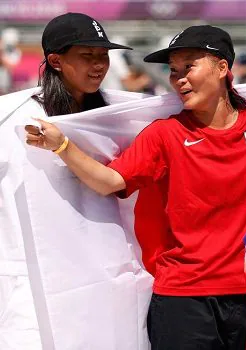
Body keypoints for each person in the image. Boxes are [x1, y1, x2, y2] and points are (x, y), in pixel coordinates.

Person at [25, 25, 246, 349]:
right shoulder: (165, 134)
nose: (179, 79)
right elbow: (109, 182)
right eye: (173, 71)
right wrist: (63, 146)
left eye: (189, 66)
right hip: (183, 300)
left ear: (222, 67)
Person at [0, 12, 131, 349]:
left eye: (103, 56)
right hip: (33, 277)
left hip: (106, 274)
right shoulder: (12, 116)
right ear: (56, 60)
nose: (99, 65)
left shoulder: (118, 116)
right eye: (87, 56)